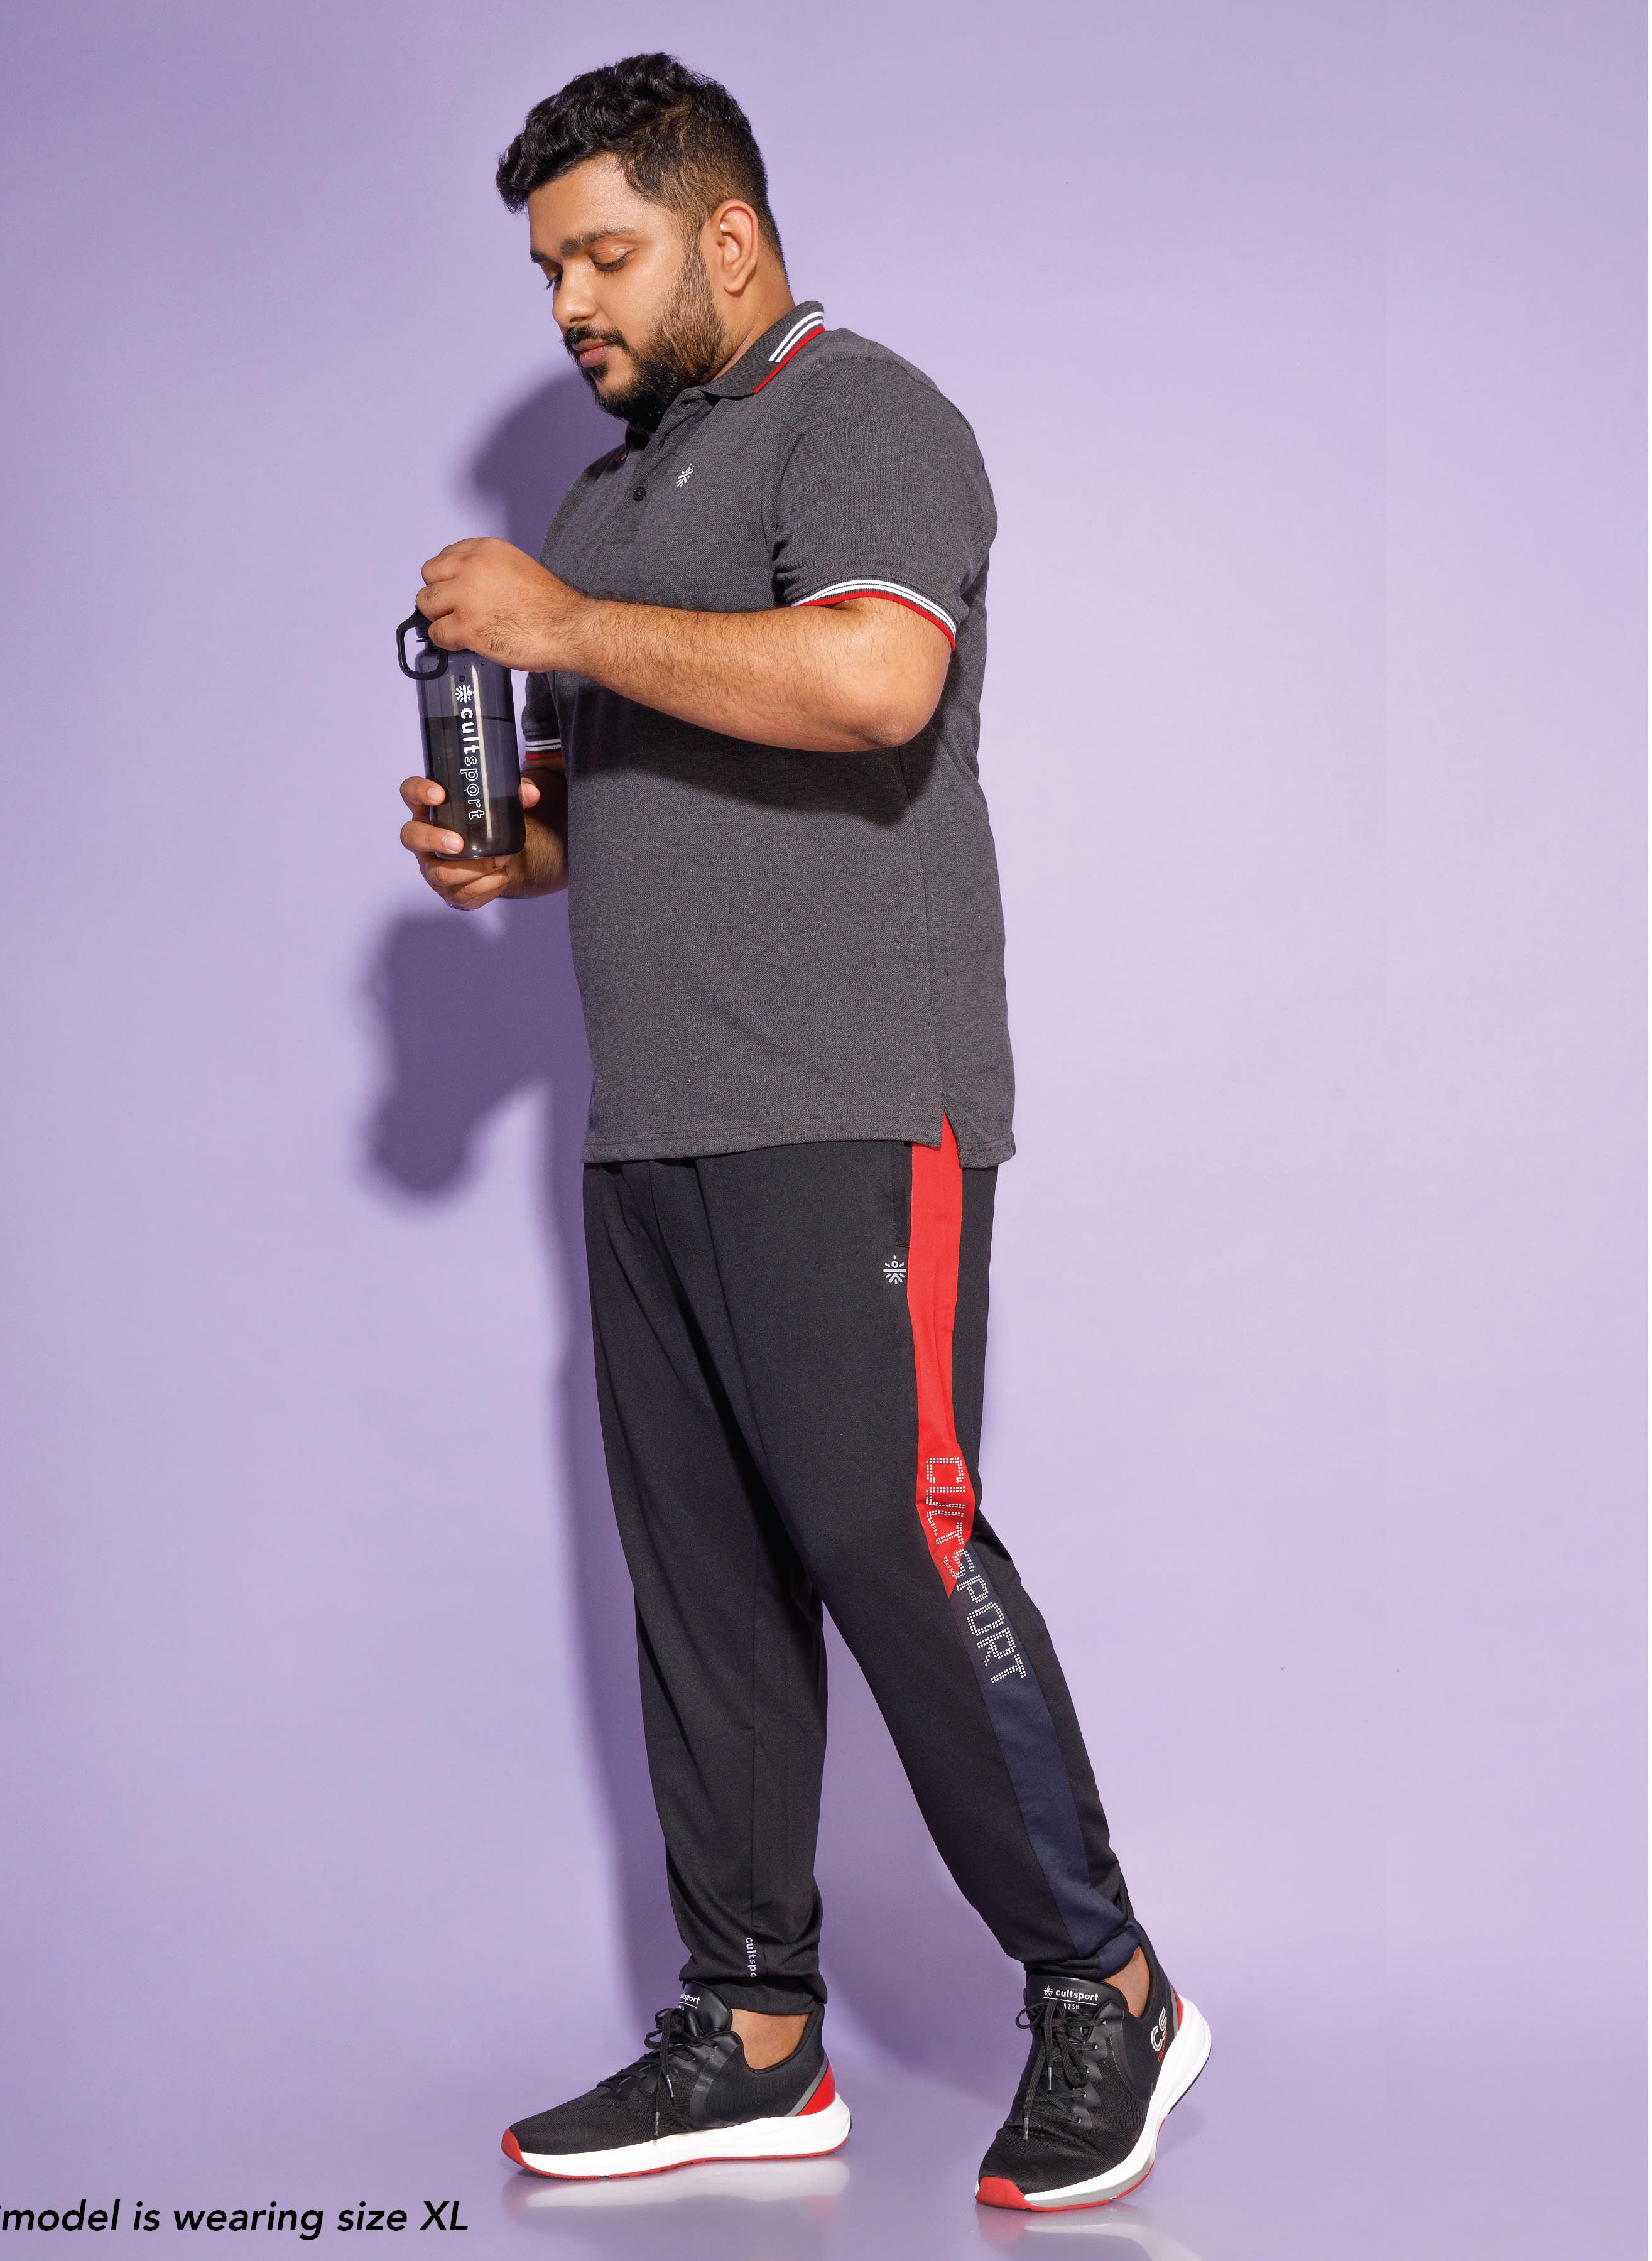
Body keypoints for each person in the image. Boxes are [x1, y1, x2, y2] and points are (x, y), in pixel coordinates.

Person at [397, 52, 1209, 2215]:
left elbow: (868, 686)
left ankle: (1107, 1987)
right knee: (705, 1583)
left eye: (604, 253)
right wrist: (520, 846)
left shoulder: (866, 416)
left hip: (852, 1093)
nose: (570, 302)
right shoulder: (612, 495)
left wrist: (558, 628)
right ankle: (750, 2030)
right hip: (652, 1115)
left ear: (727, 236)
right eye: (547, 268)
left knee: (892, 1536)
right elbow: (687, 777)